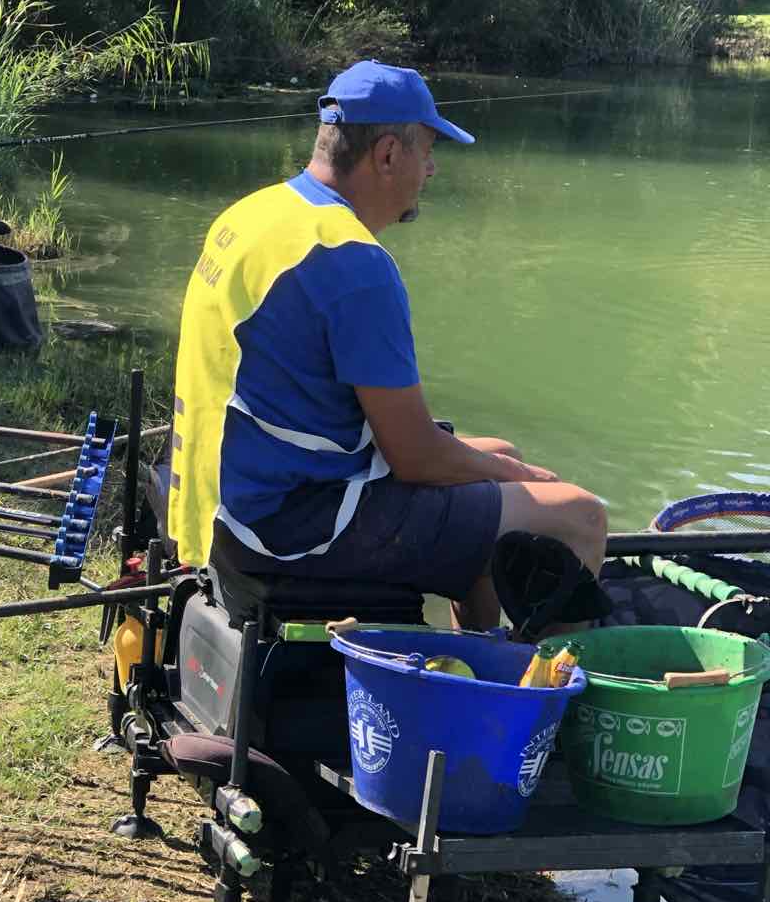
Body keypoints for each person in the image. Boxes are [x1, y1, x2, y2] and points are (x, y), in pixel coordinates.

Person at [166, 59, 607, 631]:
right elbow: (416, 456)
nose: (432, 169)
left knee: (506, 454)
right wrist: (521, 481)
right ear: (388, 154)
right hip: (292, 527)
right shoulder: (352, 262)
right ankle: (546, 705)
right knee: (577, 516)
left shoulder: (258, 214)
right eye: (426, 150)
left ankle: (481, 658)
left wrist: (501, 467)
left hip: (232, 507)